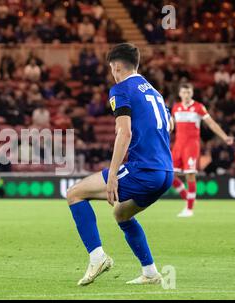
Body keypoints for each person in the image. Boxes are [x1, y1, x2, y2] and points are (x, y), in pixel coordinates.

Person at [66, 43, 174, 286]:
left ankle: (98, 257)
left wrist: (113, 174)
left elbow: (123, 134)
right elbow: (169, 123)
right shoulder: (154, 92)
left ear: (115, 67)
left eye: (111, 69)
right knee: (121, 213)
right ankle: (150, 272)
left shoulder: (121, 89)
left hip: (144, 170)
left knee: (74, 194)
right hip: (166, 171)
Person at [171, 83, 234, 217]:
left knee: (190, 174)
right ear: (180, 94)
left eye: (188, 92)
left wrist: (224, 137)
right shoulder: (176, 108)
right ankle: (188, 197)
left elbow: (211, 123)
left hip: (191, 146)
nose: (186, 95)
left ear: (192, 93)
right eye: (184, 92)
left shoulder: (199, 107)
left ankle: (189, 209)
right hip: (178, 145)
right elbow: (171, 125)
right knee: (169, 175)